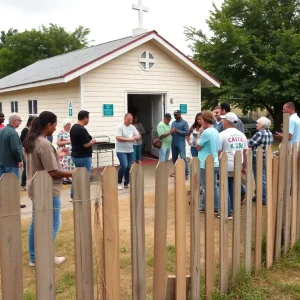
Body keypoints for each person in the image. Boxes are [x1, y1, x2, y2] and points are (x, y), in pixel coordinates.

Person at [23, 111, 73, 267]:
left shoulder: (31, 140)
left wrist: (56, 154)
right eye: (55, 124)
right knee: (54, 223)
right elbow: (53, 172)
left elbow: (40, 162)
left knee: (35, 222)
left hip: (34, 187)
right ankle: (45, 255)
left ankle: (34, 257)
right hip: (48, 190)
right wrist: (75, 173)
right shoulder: (44, 143)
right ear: (49, 124)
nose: (55, 127)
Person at [218, 112, 248, 219]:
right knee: (233, 186)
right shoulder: (242, 135)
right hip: (237, 165)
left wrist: (218, 164)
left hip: (226, 164)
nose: (222, 121)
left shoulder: (222, 134)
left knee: (225, 187)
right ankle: (234, 210)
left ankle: (228, 212)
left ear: (227, 121)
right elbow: (245, 152)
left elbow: (219, 151)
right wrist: (244, 166)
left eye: (223, 120)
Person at [0, 113, 26, 208]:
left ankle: (4, 203)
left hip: (1, 162)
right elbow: (15, 148)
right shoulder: (13, 133)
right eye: (19, 121)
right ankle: (14, 203)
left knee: (3, 184)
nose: (20, 123)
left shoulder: (2, 131)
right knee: (13, 184)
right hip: (11, 163)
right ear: (14, 121)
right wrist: (19, 159)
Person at [196, 111, 220, 214]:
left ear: (205, 120)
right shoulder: (215, 131)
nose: (201, 122)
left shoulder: (206, 132)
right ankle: (216, 206)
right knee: (214, 186)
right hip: (215, 162)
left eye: (202, 120)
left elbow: (198, 146)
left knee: (205, 186)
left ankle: (203, 206)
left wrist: (198, 134)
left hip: (204, 163)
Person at [70, 110, 96, 198]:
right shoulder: (81, 129)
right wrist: (92, 142)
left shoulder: (73, 127)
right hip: (83, 156)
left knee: (77, 176)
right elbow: (86, 144)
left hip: (75, 155)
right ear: (85, 118)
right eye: (88, 118)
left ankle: (73, 195)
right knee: (85, 176)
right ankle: (83, 194)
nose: (88, 120)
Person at [248, 117, 273, 205]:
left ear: (262, 125)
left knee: (259, 178)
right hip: (266, 158)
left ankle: (263, 197)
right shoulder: (269, 133)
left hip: (258, 158)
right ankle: (260, 194)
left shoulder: (259, 133)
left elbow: (250, 143)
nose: (256, 124)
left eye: (258, 123)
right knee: (263, 177)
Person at [116, 113, 140, 190]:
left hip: (130, 150)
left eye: (131, 120)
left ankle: (126, 182)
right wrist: (128, 139)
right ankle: (119, 182)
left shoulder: (132, 127)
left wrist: (134, 137)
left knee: (129, 166)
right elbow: (118, 137)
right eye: (128, 120)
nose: (130, 121)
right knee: (124, 165)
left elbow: (138, 135)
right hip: (121, 150)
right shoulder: (120, 127)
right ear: (125, 119)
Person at [171, 110, 189, 180]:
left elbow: (186, 132)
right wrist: (171, 132)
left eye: (177, 114)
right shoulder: (173, 123)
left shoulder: (184, 123)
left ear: (180, 114)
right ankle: (176, 171)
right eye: (174, 115)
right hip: (174, 142)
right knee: (174, 158)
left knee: (183, 157)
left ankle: (186, 173)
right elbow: (172, 131)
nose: (175, 116)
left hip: (181, 142)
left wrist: (177, 131)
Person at [57, 118, 75, 184]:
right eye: (67, 125)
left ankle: (68, 178)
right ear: (64, 125)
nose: (69, 126)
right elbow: (58, 143)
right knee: (64, 165)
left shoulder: (71, 132)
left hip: (70, 152)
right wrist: (67, 142)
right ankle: (64, 178)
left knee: (70, 165)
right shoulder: (61, 132)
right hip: (63, 152)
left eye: (70, 124)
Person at [20, 115, 36, 191]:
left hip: (31, 150)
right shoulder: (25, 130)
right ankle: (23, 184)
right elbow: (21, 141)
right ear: (30, 121)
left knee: (31, 167)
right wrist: (27, 145)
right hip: (25, 150)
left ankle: (29, 182)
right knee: (26, 167)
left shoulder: (33, 130)